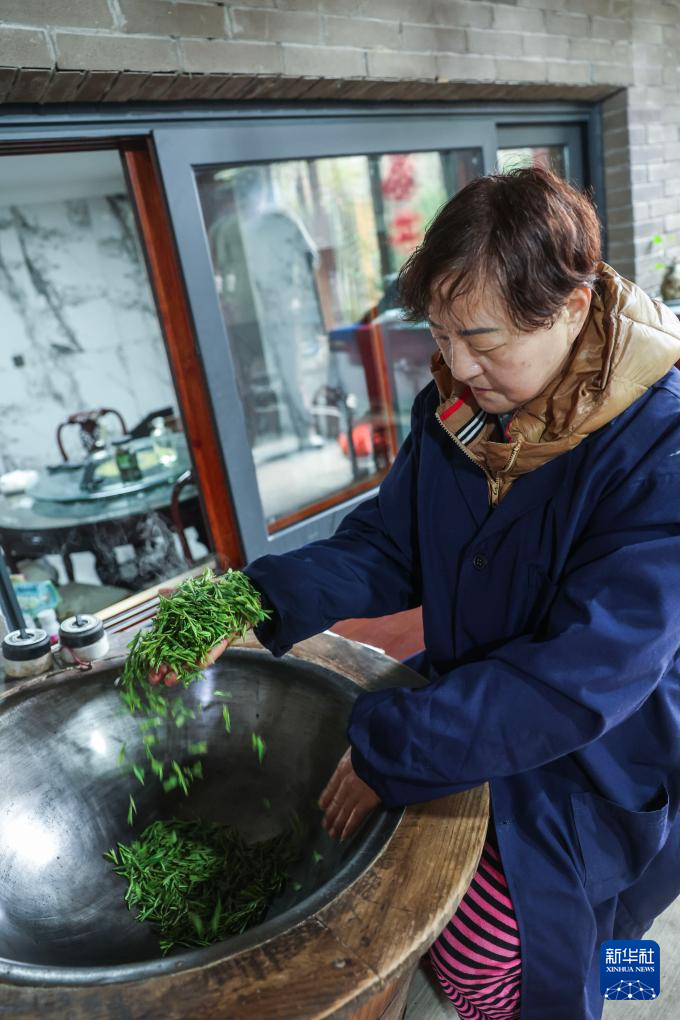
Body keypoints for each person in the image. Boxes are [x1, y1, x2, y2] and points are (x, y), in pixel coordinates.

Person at [150, 167, 680, 1020]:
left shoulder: (661, 445)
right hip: (481, 706)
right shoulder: (465, 406)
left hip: (602, 749)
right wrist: (253, 600)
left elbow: (581, 676)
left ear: (573, 308)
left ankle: (619, 992)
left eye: (483, 339)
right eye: (439, 333)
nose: (456, 365)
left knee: (565, 943)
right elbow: (392, 541)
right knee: (566, 936)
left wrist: (394, 748)